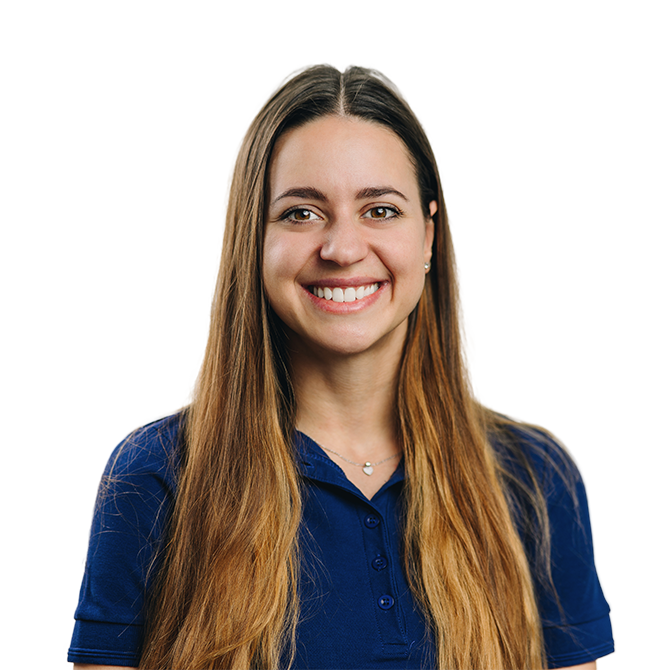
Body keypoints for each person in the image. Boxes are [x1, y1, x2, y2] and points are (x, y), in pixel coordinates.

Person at [66, 62, 615, 670]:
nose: (344, 249)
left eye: (380, 210)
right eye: (301, 213)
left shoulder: (536, 477)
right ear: (253, 239)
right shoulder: (157, 474)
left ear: (428, 237)